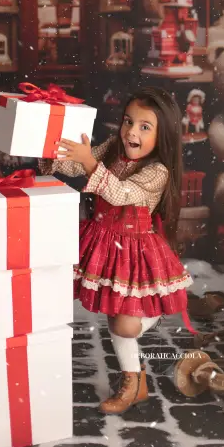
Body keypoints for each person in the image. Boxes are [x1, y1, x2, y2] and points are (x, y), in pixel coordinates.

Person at [38, 88, 193, 415]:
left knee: (125, 325)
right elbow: (79, 165)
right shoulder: (112, 148)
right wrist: (56, 155)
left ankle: (153, 311)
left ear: (162, 135)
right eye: (128, 122)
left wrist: (89, 162)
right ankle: (133, 383)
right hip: (105, 241)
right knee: (113, 316)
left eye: (144, 127)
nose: (131, 132)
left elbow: (121, 192)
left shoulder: (157, 171)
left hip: (135, 249)